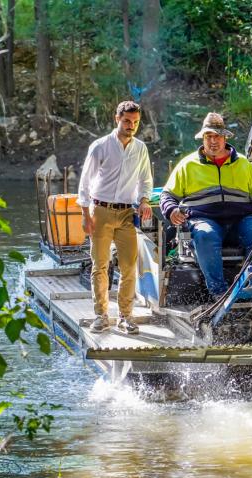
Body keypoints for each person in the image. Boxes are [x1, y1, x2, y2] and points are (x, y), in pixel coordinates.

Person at [160, 112, 252, 300]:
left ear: (225, 137)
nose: (213, 141)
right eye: (208, 136)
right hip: (204, 220)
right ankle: (218, 292)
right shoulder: (187, 165)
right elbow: (167, 195)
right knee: (205, 234)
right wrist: (171, 210)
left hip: (240, 221)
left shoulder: (245, 164)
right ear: (202, 138)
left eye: (217, 136)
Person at [77, 100, 153, 334]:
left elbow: (145, 179)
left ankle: (125, 316)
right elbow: (85, 181)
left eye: (136, 122)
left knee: (129, 267)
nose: (131, 126)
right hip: (100, 210)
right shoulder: (100, 146)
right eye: (127, 121)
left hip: (127, 213)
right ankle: (101, 316)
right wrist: (85, 213)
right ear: (117, 119)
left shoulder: (140, 148)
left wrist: (144, 200)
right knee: (100, 266)